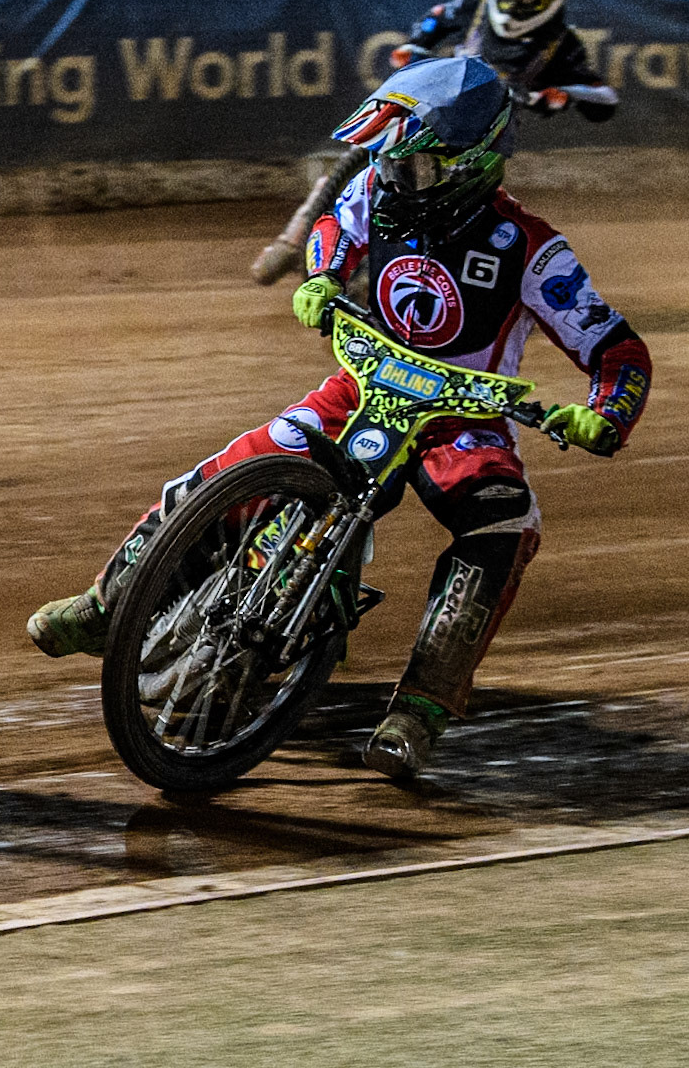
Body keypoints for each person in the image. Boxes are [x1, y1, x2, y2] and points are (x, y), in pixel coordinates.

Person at [33, 57, 651, 779]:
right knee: (227, 469)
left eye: (414, 167)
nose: (394, 179)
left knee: (503, 523)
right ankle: (108, 604)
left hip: (461, 421)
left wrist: (605, 414)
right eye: (388, 163)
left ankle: (420, 708)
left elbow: (617, 349)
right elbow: (333, 224)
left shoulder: (532, 250)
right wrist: (323, 275)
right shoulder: (378, 189)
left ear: (470, 164)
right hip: (358, 388)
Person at [250, 0, 615, 286]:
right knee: (365, 161)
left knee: (459, 208)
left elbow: (603, 98)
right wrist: (417, 45)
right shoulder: (474, 0)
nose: (514, 0)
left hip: (486, 137)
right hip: (436, 102)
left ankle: (417, 278)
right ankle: (292, 241)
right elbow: (436, 20)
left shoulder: (563, 43)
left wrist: (562, 93)